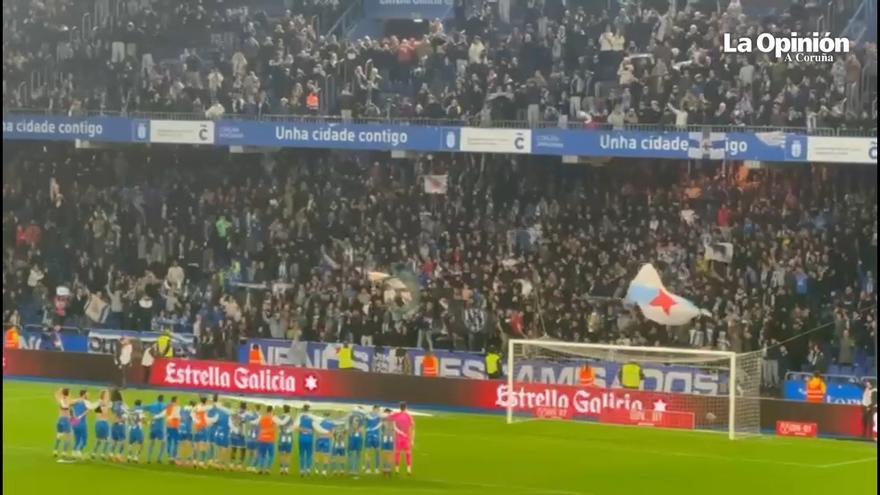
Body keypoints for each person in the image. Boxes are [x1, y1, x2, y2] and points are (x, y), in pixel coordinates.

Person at [389, 402, 415, 475]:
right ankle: (408, 470)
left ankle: (397, 470)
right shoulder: (409, 416)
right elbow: (413, 428)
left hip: (398, 438)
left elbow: (388, 417)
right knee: (408, 454)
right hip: (406, 438)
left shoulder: (396, 415)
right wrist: (412, 440)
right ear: (406, 407)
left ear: (400, 407)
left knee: (397, 453)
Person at [70, 390, 96, 458]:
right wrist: (81, 415)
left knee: (77, 439)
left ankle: (73, 452)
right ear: (84, 394)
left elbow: (69, 404)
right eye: (87, 394)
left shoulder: (76, 401)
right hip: (81, 422)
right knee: (84, 440)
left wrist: (72, 416)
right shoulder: (87, 402)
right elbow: (89, 409)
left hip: (74, 421)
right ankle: (79, 451)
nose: (89, 395)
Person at [144, 394, 167, 463]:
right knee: (163, 442)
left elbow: (145, 409)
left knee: (151, 442)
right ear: (162, 399)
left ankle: (148, 459)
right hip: (159, 427)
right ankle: (159, 458)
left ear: (157, 399)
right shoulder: (163, 405)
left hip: (152, 427)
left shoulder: (152, 405)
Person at [53, 388, 73, 458]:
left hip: (60, 418)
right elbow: (71, 411)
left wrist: (59, 390)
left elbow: (55, 395)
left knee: (59, 435)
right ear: (68, 393)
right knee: (68, 436)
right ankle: (64, 452)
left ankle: (55, 451)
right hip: (66, 420)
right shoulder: (69, 400)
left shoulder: (60, 400)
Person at [91, 389, 111, 459]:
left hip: (100, 423)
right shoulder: (102, 403)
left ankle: (94, 453)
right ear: (104, 395)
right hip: (102, 423)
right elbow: (102, 414)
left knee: (100, 440)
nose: (108, 396)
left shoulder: (102, 403)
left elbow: (97, 413)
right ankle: (101, 454)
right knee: (106, 440)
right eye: (107, 394)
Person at [363, 405, 383, 474]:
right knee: (369, 452)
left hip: (373, 436)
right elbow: (363, 423)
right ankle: (369, 468)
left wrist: (368, 428)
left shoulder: (374, 416)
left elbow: (380, 424)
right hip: (371, 436)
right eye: (378, 409)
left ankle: (375, 468)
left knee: (376, 452)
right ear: (374, 409)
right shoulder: (372, 415)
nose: (378, 411)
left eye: (378, 410)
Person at [109, 389, 128, 462]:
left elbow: (113, 413)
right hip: (120, 425)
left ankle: (111, 454)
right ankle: (119, 455)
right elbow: (125, 409)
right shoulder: (121, 404)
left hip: (114, 425)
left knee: (114, 440)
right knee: (123, 441)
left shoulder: (112, 404)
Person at [276, 405, 295, 475]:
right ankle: (286, 469)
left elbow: (278, 427)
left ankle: (281, 469)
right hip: (289, 437)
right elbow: (292, 428)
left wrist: (282, 430)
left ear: (283, 410)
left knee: (281, 454)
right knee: (288, 454)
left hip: (281, 437)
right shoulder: (291, 418)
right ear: (289, 410)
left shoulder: (280, 417)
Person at [346, 407, 365, 474]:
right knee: (356, 454)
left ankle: (352, 469)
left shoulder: (351, 416)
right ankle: (354, 469)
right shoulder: (361, 416)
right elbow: (361, 428)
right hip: (356, 437)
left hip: (354, 436)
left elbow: (348, 427)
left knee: (353, 453)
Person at [379, 409, 396, 476]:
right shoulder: (393, 419)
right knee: (389, 453)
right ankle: (388, 469)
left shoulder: (383, 420)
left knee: (385, 453)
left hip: (385, 438)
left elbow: (381, 430)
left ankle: (385, 469)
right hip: (390, 438)